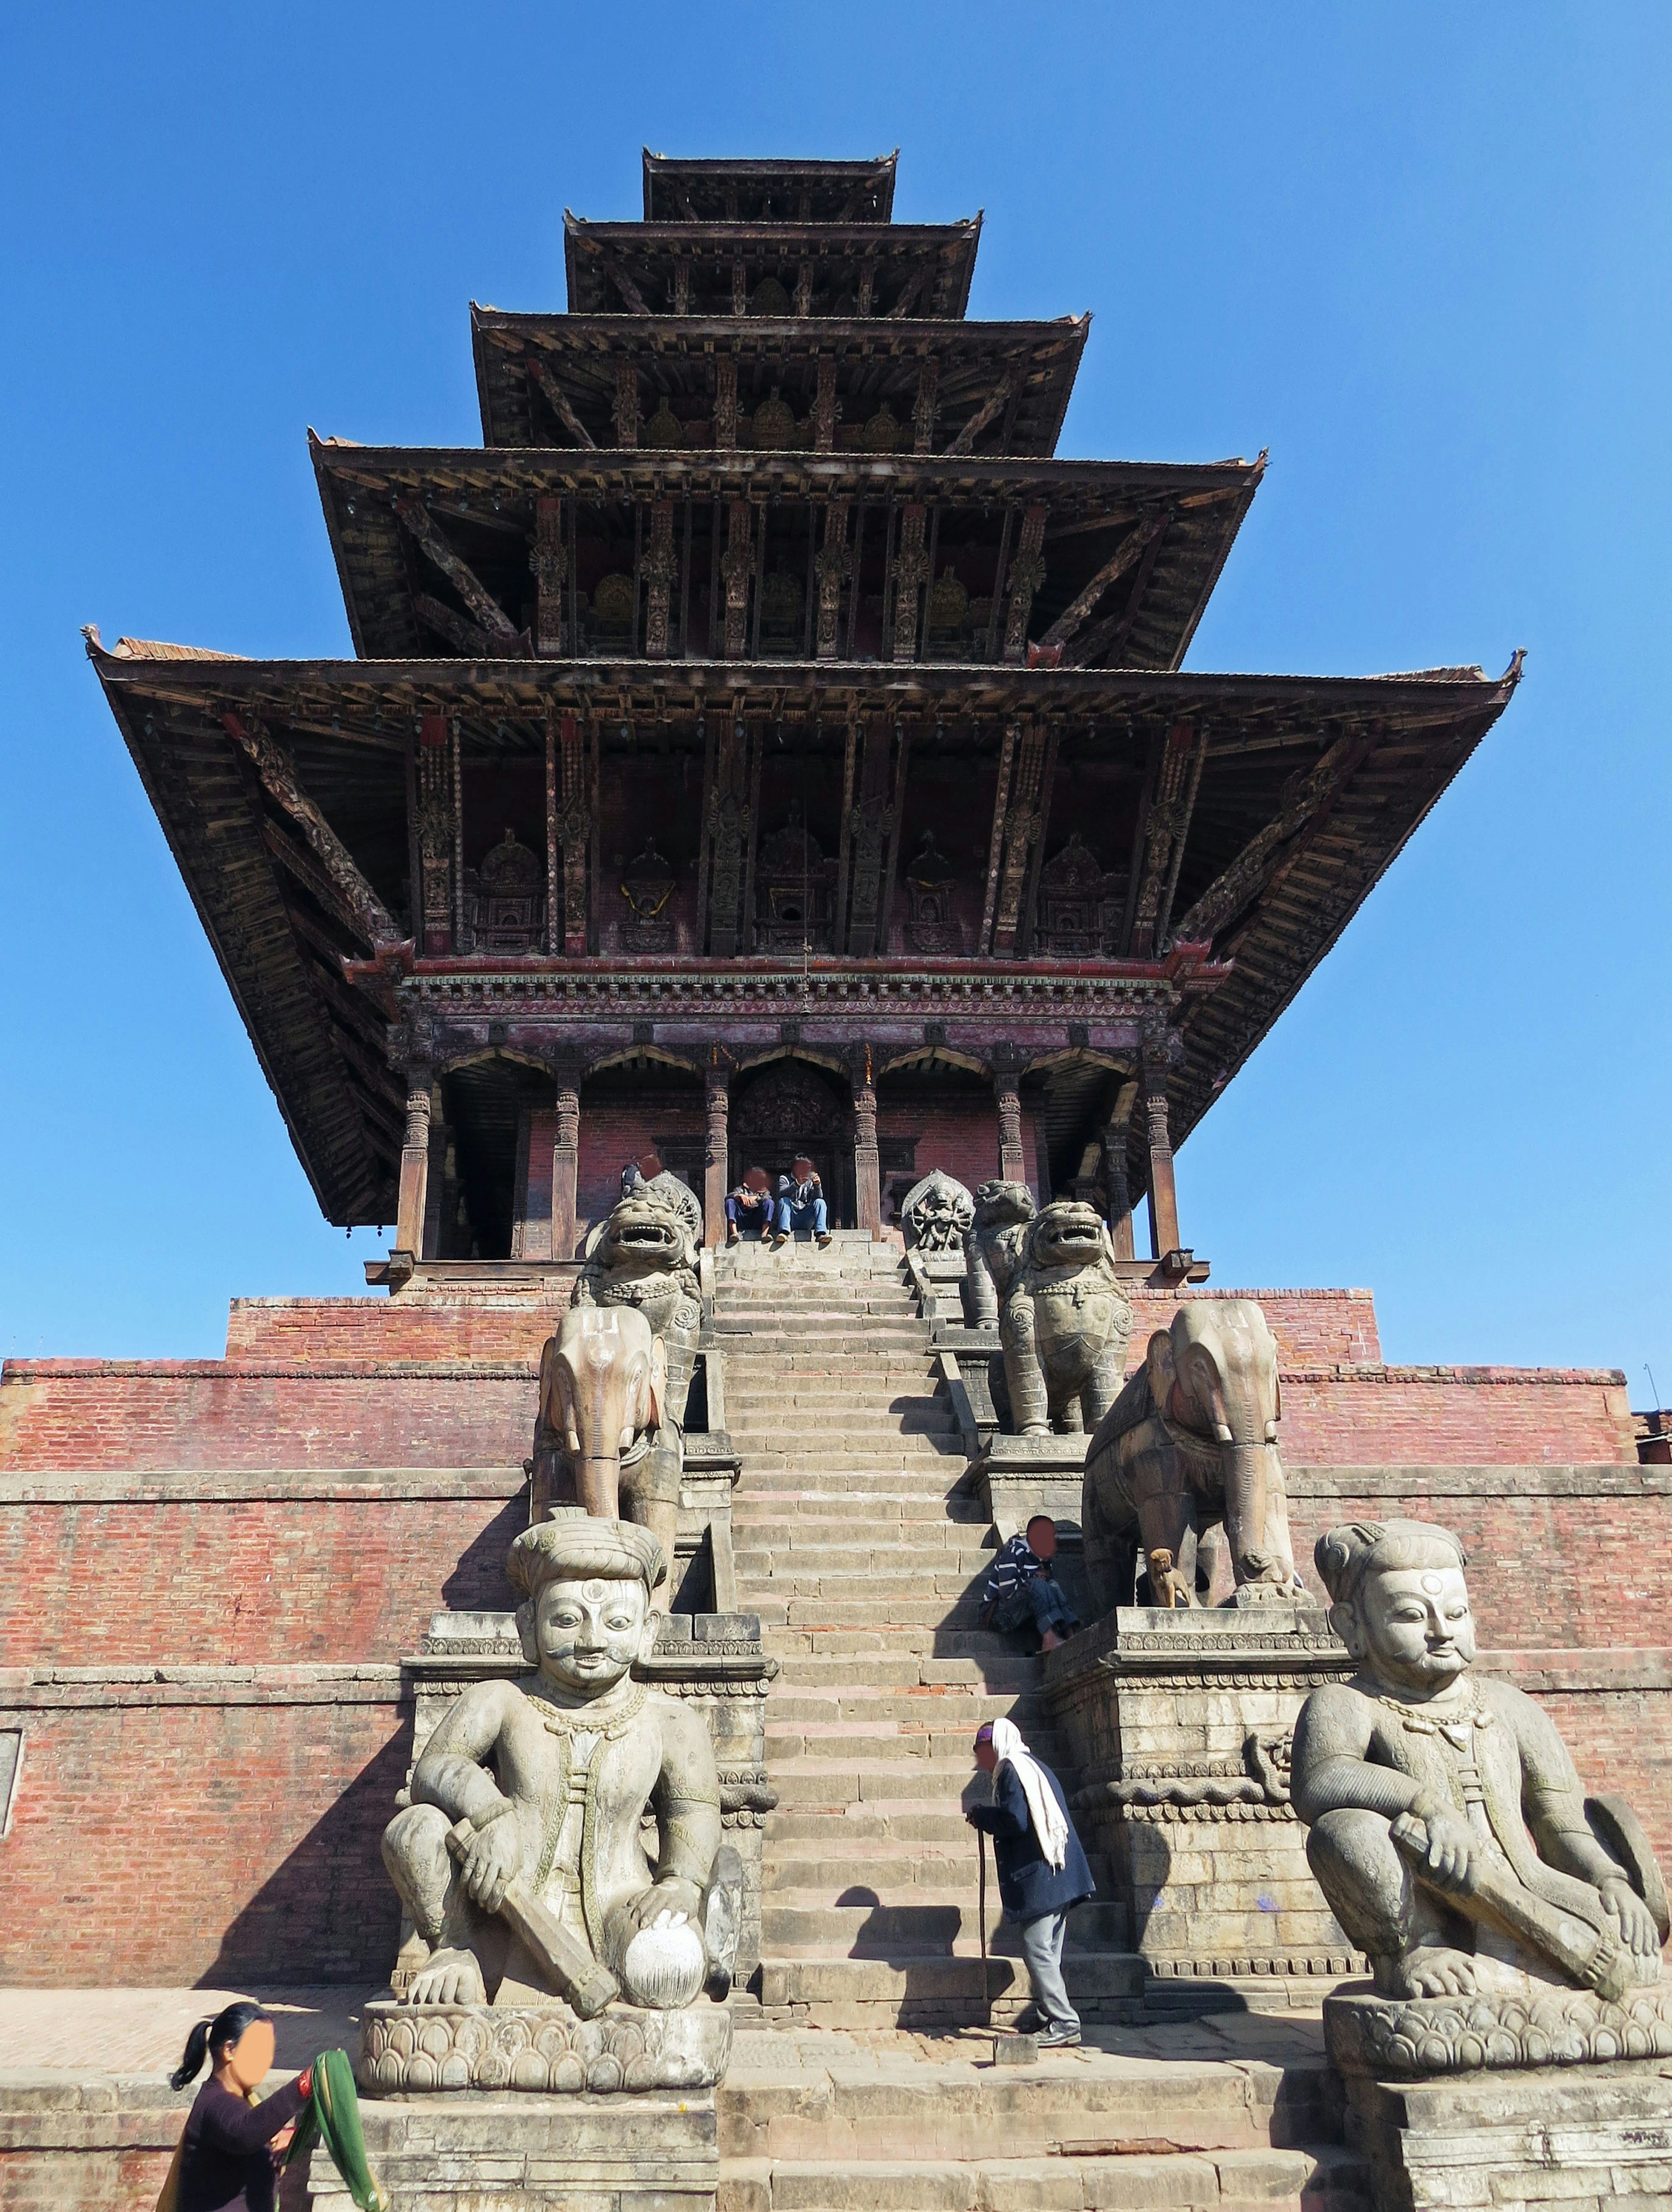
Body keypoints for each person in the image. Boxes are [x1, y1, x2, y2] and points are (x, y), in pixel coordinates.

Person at [1292, 1518, 1666, 2002]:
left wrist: (1608, 1879)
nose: (1440, 1631)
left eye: (1455, 1612)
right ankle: (1411, 1954)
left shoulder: (1508, 1705)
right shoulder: (1349, 1704)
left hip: (1530, 1890)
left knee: (1632, 1956)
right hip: (1431, 1900)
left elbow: (1561, 1820)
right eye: (1410, 1615)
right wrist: (1428, 1807)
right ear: (1352, 1624)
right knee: (1343, 1831)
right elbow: (1319, 1781)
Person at [966, 1718, 1095, 2046]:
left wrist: (983, 1815)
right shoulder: (1033, 1767)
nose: (978, 1759)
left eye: (980, 1750)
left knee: (1036, 1948)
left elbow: (1015, 1819)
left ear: (995, 1747)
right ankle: (1049, 2012)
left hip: (1043, 1875)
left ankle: (1065, 2020)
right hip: (1061, 1872)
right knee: (1049, 1951)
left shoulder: (1012, 1770)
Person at [166, 2000, 312, 2212]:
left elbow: (256, 2129)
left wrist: (290, 2134)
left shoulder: (244, 2100)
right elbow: (244, 2133)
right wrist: (302, 2087)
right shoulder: (215, 2103)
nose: (268, 2059)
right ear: (229, 2051)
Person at [984, 1515, 1080, 1651]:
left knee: (1054, 1586)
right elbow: (1006, 1591)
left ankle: (1070, 1634)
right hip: (999, 1615)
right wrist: (1032, 1578)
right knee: (1038, 1586)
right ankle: (1049, 1639)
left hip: (1028, 1614)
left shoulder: (1044, 1559)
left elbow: (1046, 1595)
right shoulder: (1015, 1550)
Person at [771, 1158, 830, 1248]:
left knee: (820, 1202)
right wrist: (797, 1184)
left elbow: (817, 1197)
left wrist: (817, 1186)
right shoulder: (785, 1178)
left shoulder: (810, 1181)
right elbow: (782, 1193)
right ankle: (784, 1232)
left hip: (805, 1217)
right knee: (784, 1201)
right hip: (791, 1217)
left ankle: (821, 1233)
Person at [725, 1167, 773, 1243]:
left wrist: (757, 1197)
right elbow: (728, 1197)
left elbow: (769, 1198)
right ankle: (735, 1234)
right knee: (730, 1202)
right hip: (743, 1218)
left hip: (757, 1219)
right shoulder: (740, 1189)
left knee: (770, 1203)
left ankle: (764, 1234)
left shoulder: (765, 1192)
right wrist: (740, 1196)